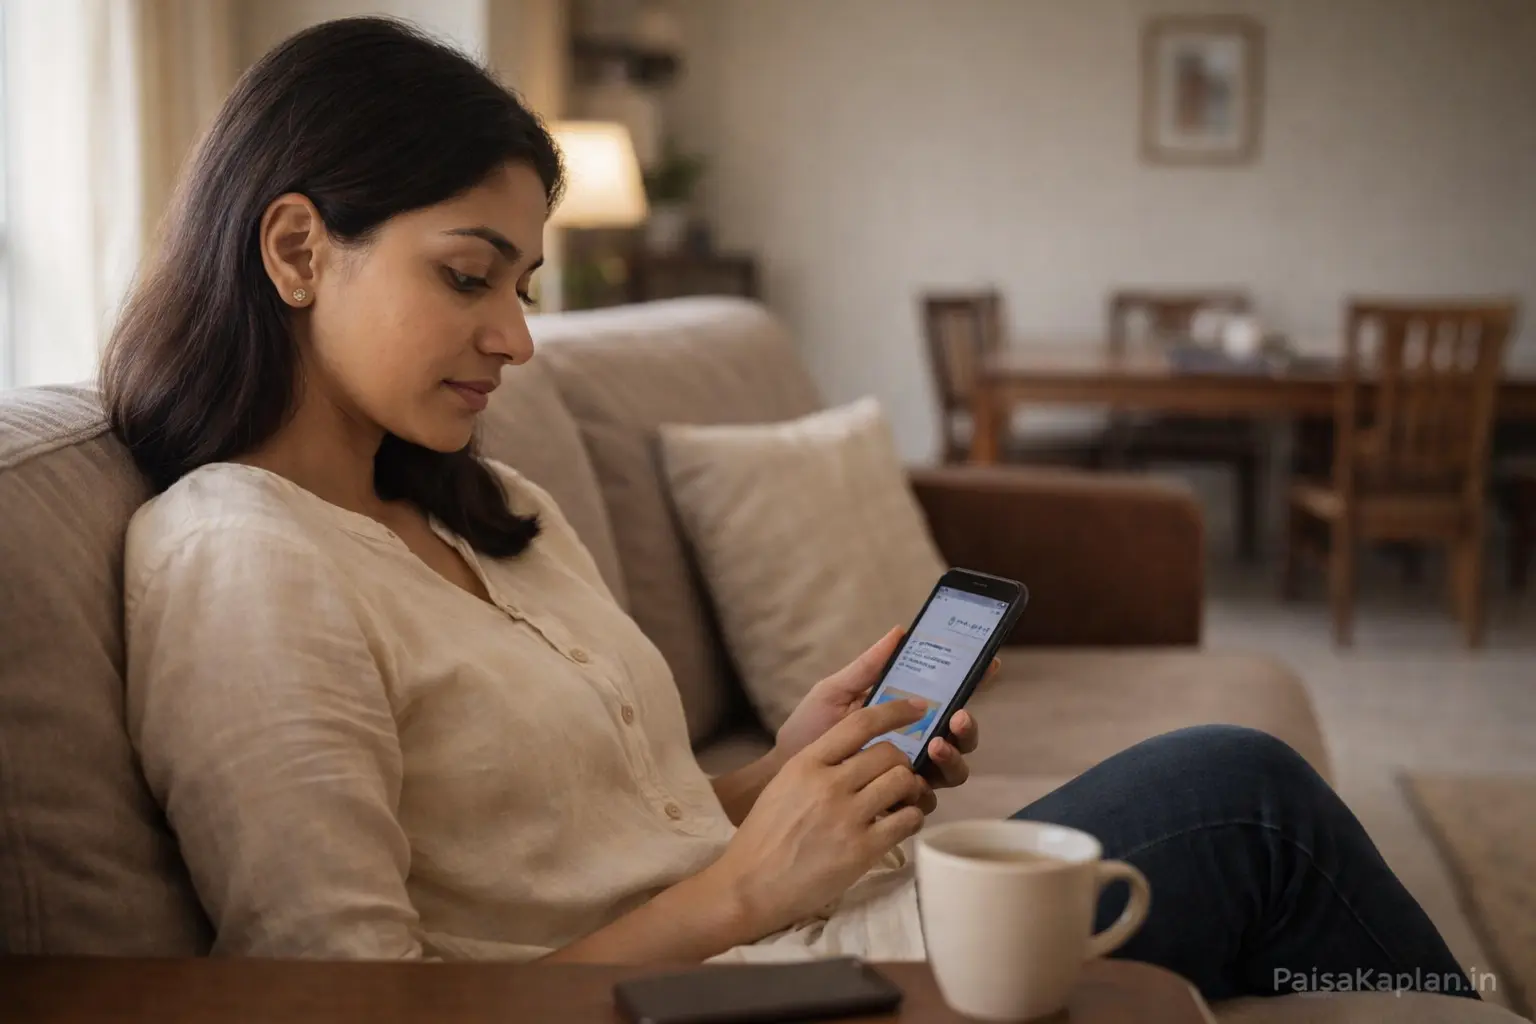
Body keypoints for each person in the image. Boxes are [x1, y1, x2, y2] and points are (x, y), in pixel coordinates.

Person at [104, 17, 1475, 1002]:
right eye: (470, 276)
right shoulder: (243, 561)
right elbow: (351, 1002)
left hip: (803, 926)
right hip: (759, 984)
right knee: (1248, 804)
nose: (516, 338)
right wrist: (754, 887)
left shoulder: (488, 509)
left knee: (1254, 821)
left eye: (522, 285)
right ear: (295, 248)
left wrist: (783, 775)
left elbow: (584, 840)